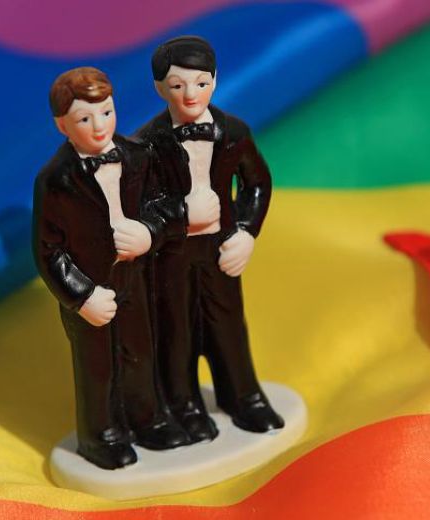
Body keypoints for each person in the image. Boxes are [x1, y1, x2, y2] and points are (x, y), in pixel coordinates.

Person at [32, 67, 188, 470]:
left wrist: (149, 232)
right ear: (62, 125)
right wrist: (82, 295)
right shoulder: (56, 180)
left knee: (140, 351)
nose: (100, 126)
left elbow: (170, 207)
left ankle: (148, 418)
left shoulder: (139, 156)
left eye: (106, 112)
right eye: (85, 119)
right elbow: (48, 250)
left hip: (135, 276)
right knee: (97, 366)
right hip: (92, 286)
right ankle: (101, 435)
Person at [136, 36, 285, 442]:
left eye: (201, 83)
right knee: (176, 329)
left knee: (228, 323)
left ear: (215, 80)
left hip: (221, 247)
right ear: (159, 88)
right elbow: (140, 205)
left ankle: (243, 396)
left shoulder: (234, 132)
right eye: (178, 85)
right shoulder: (146, 144)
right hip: (171, 254)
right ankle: (183, 404)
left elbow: (257, 183)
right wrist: (179, 216)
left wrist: (247, 231)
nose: (191, 94)